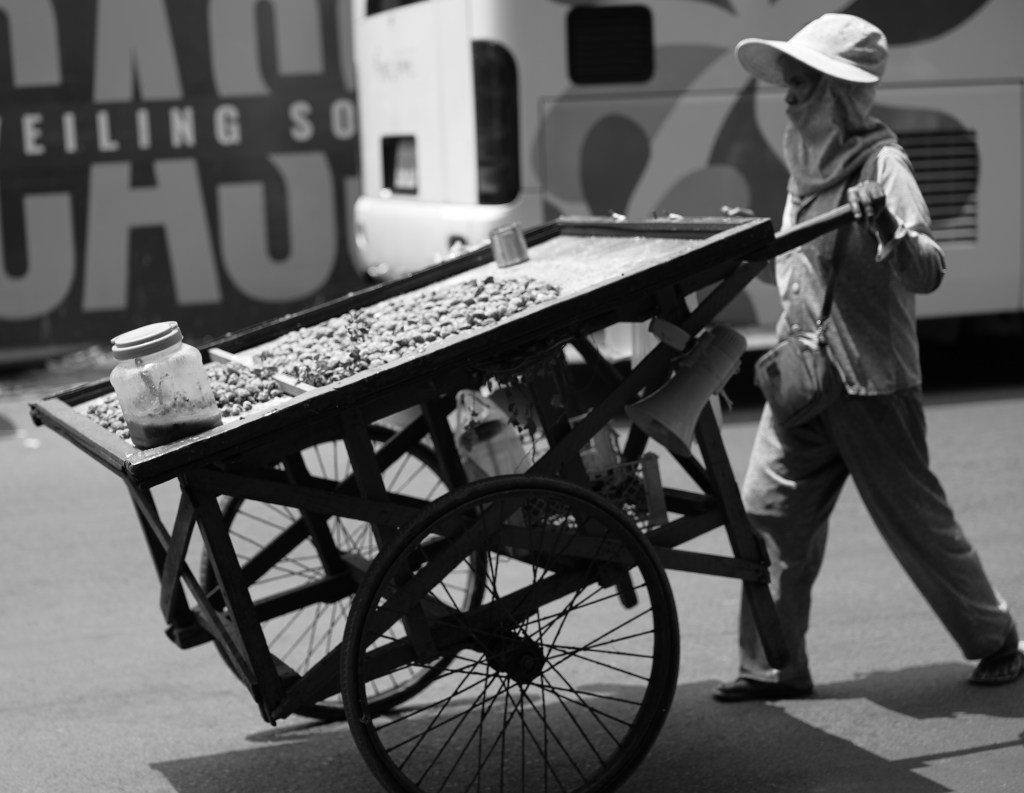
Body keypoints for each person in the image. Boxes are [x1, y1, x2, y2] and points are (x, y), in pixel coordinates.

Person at [714, 13, 1022, 702]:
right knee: (767, 514)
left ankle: (997, 638)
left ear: (841, 96)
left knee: (919, 526)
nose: (788, 99)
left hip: (871, 385)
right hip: (802, 377)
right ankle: (775, 664)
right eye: (788, 86)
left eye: (803, 87)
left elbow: (929, 270)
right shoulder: (803, 160)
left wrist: (887, 225)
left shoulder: (885, 165)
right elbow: (800, 271)